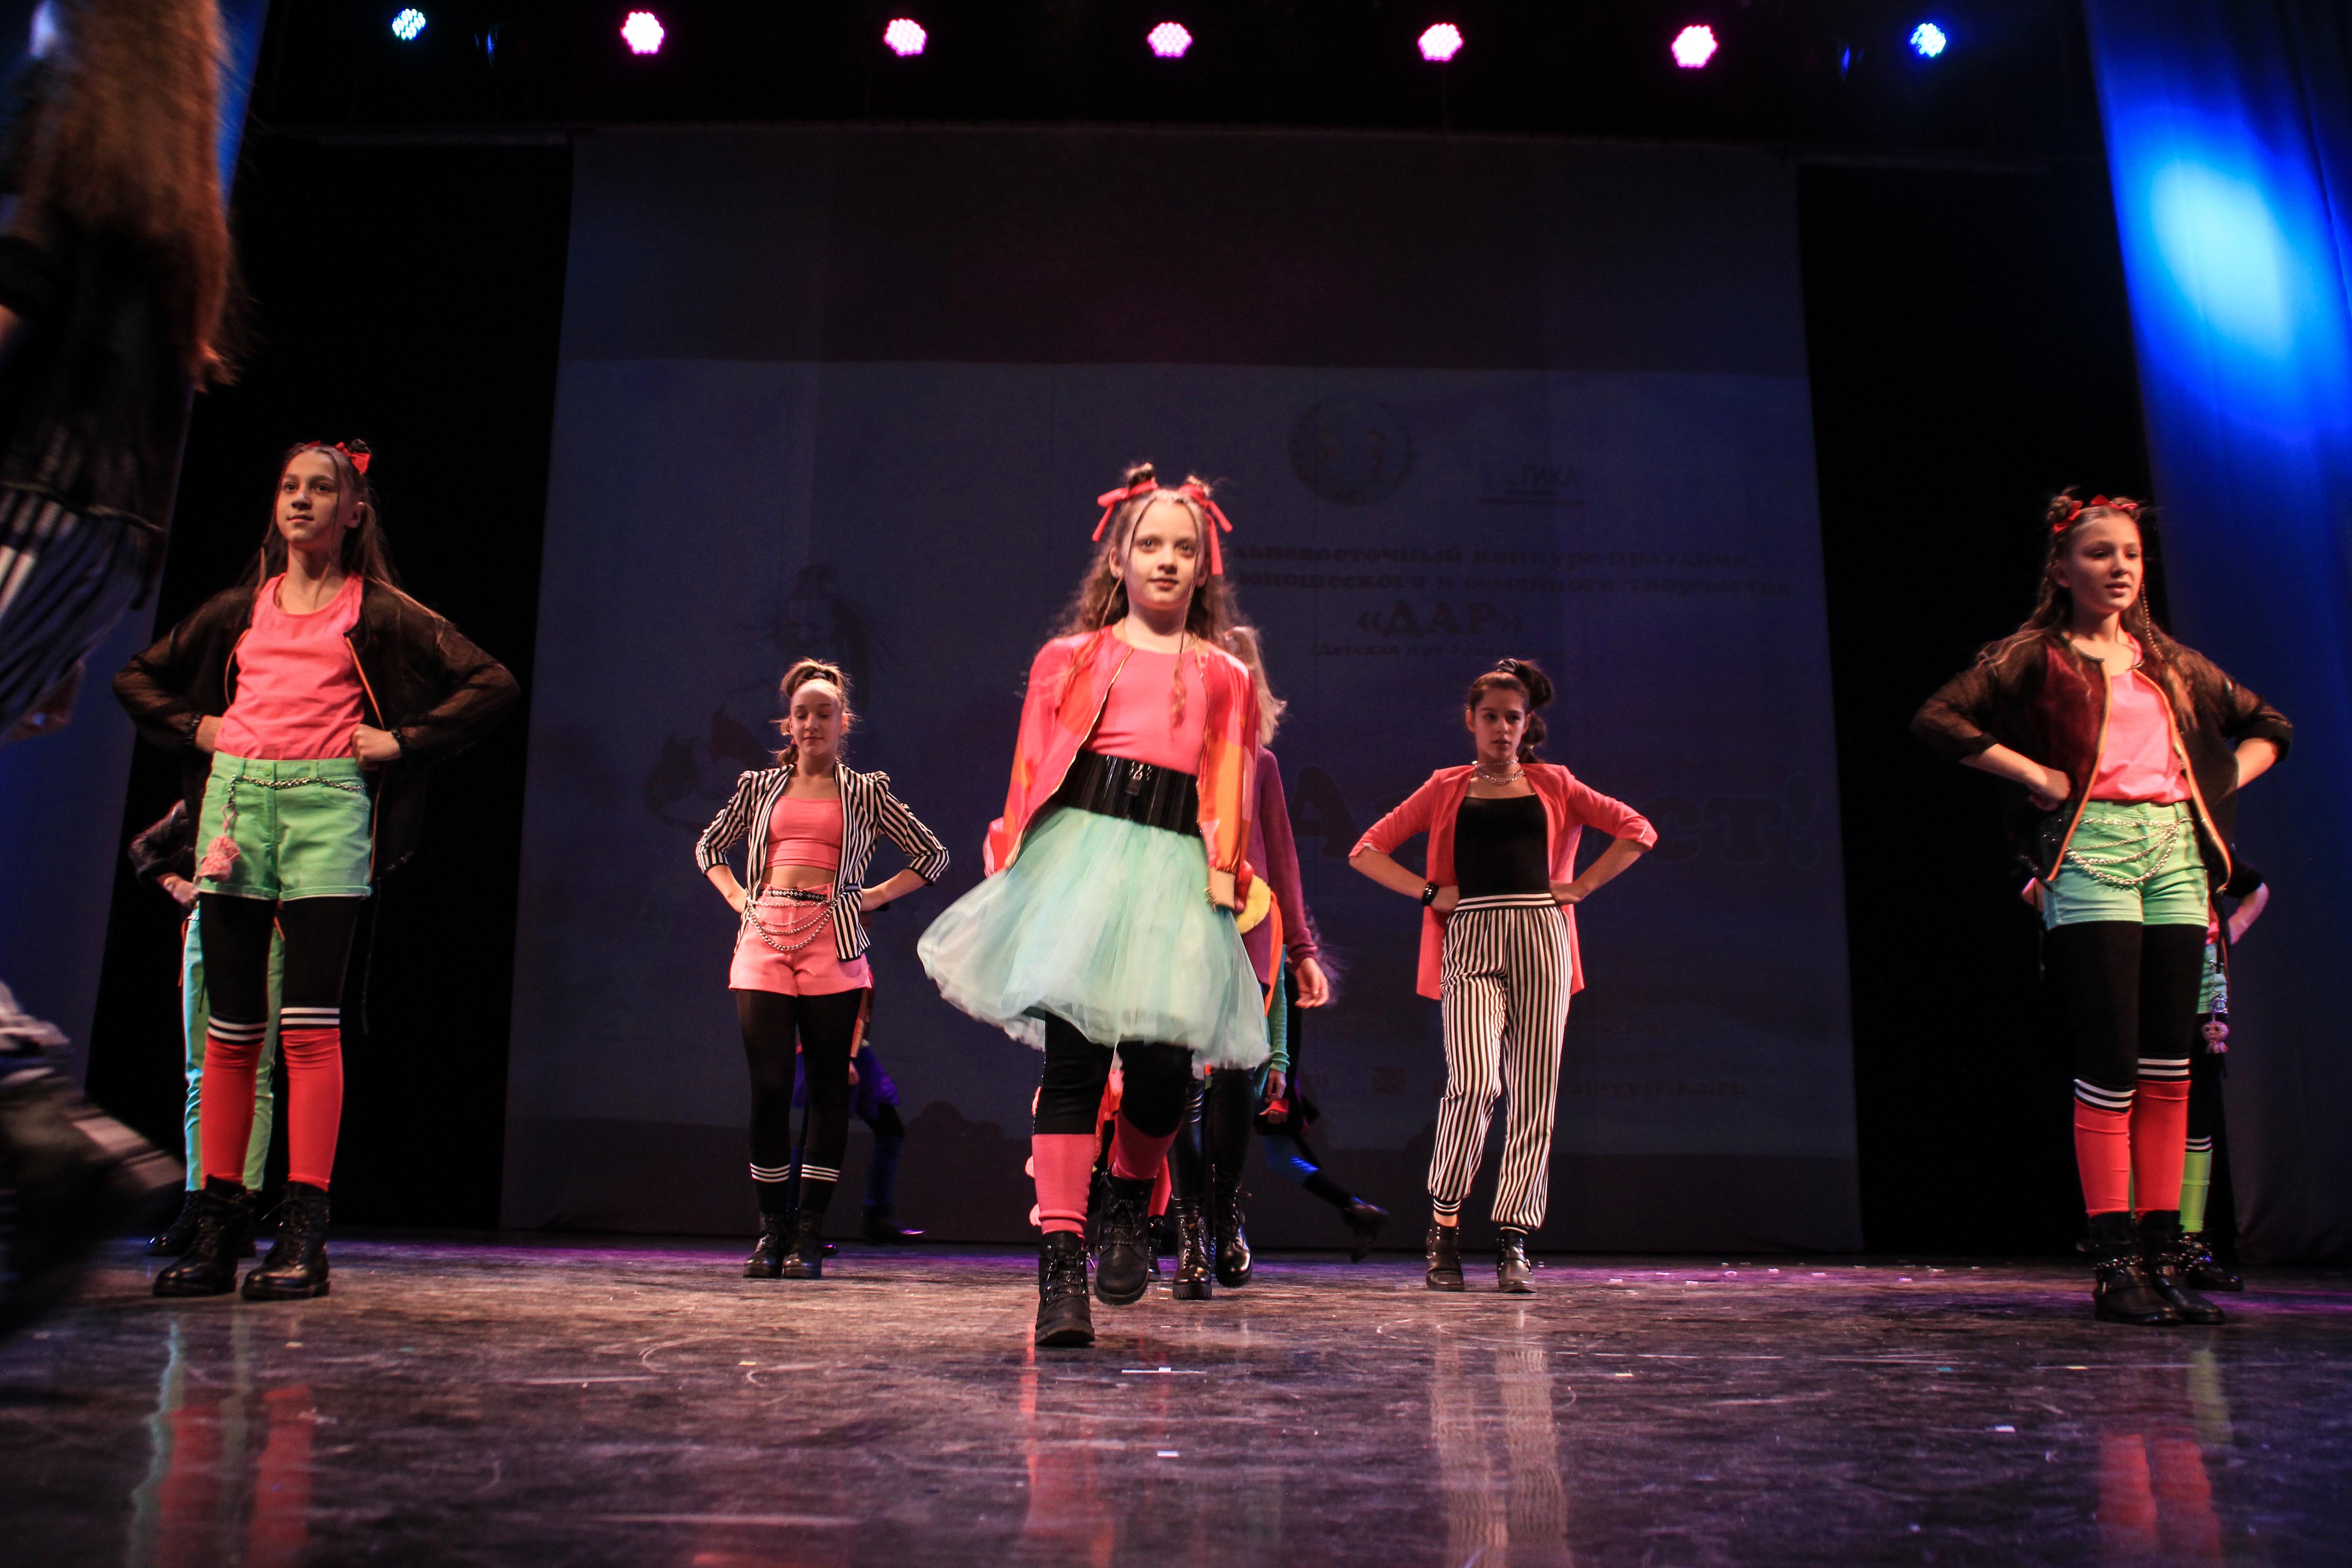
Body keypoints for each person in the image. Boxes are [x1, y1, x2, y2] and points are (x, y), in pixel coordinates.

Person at [114, 441, 519, 1301]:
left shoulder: (379, 610)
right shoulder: (240, 608)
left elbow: (489, 682)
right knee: (231, 1032)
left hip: (327, 808)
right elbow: (138, 679)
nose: (301, 500)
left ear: (353, 511)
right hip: (236, 809)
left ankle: (304, 1228)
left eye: (321, 488)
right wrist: (198, 728)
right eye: (290, 487)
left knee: (306, 1026)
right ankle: (220, 1223)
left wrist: (402, 741)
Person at [0, 0, 237, 1334]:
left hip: (23, 509)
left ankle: (39, 1122)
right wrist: (75, 627)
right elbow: (155, 413)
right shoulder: (175, 198)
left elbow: (18, 302)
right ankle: (38, 1127)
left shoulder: (72, 135)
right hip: (92, 536)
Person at [1915, 492, 2288, 1327]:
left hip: (2175, 855)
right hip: (2090, 853)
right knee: (2110, 1061)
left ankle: (2162, 1255)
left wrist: (2217, 782)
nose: (2118, 567)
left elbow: (2267, 724)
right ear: (2060, 569)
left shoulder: (2169, 661)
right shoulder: (2036, 657)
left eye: (2129, 553)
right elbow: (1940, 718)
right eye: (2097, 553)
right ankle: (2114, 1263)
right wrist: (2034, 775)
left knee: (2168, 1065)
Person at [919, 462, 1267, 1348]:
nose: (1165, 560)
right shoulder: (1068, 660)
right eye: (1149, 544)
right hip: (1082, 864)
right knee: (1074, 1069)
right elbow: (1031, 767)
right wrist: (1015, 870)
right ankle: (1061, 1266)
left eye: (1182, 547)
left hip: (1172, 874)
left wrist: (1224, 878)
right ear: (1118, 558)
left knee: (1160, 1079)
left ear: (1203, 565)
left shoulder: (1224, 675)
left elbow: (1232, 780)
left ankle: (1126, 1195)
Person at [1350, 659, 1653, 1294]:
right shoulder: (1446, 786)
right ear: (1471, 721)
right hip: (1470, 937)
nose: (1501, 728)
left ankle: (1514, 1239)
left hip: (1542, 936)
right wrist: (1428, 891)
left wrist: (1581, 886)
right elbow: (1367, 850)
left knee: (1535, 1093)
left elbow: (1636, 830)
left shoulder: (1555, 782)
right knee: (1475, 1083)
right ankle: (1445, 1227)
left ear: (1527, 723)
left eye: (1512, 718)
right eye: (1489, 716)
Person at [695, 658, 946, 1279]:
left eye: (824, 714)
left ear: (843, 723)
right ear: (789, 723)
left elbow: (931, 855)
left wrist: (871, 897)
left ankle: (808, 1234)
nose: (812, 724)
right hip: (764, 938)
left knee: (831, 1091)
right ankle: (771, 1231)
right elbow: (710, 847)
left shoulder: (865, 792)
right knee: (771, 1088)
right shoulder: (759, 788)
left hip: (832, 943)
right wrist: (739, 897)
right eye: (802, 714)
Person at [127, 800, 279, 1254]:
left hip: (269, 930)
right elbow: (144, 845)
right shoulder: (210, 797)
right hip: (206, 925)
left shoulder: (282, 792)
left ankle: (240, 1207)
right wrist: (174, 882)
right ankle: (200, 1203)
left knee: (256, 1075)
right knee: (201, 1073)